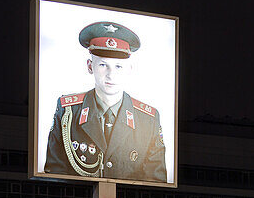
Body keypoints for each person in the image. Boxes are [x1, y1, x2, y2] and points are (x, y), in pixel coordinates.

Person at [44, 21, 167, 182]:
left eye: (118, 67)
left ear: (129, 70)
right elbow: (55, 175)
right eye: (103, 65)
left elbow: (155, 183)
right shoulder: (68, 111)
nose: (111, 75)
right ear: (90, 66)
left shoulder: (148, 120)